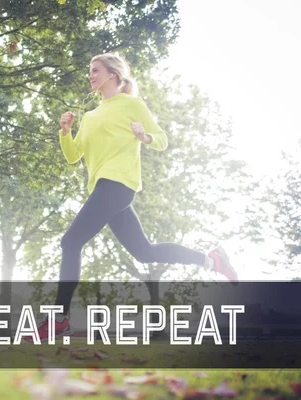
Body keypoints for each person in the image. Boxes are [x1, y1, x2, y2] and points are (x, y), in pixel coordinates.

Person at [35, 53, 238, 341]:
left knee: (70, 242)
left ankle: (59, 319)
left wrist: (144, 136)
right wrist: (65, 132)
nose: (90, 75)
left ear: (113, 75)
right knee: (144, 253)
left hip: (119, 184)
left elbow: (162, 139)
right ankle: (212, 261)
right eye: (89, 71)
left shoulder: (132, 104)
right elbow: (73, 156)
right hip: (104, 188)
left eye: (95, 70)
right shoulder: (90, 116)